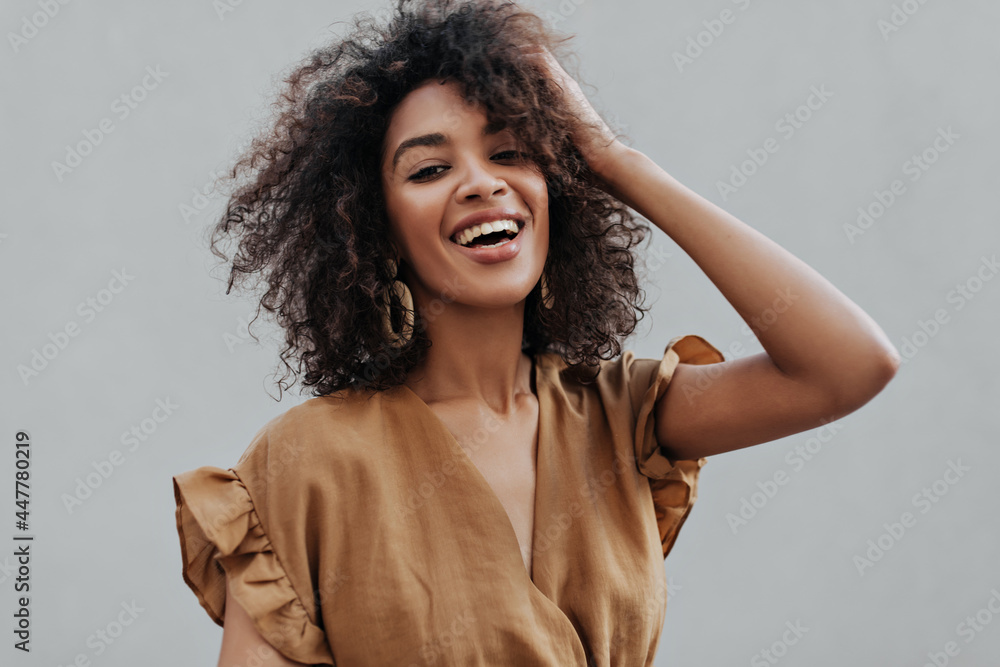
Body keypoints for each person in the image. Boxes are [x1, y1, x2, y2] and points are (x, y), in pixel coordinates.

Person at [171, 1, 900, 665]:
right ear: (373, 227)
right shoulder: (306, 463)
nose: (481, 182)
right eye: (429, 168)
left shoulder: (620, 417)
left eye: (513, 153)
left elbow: (848, 365)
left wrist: (618, 159)